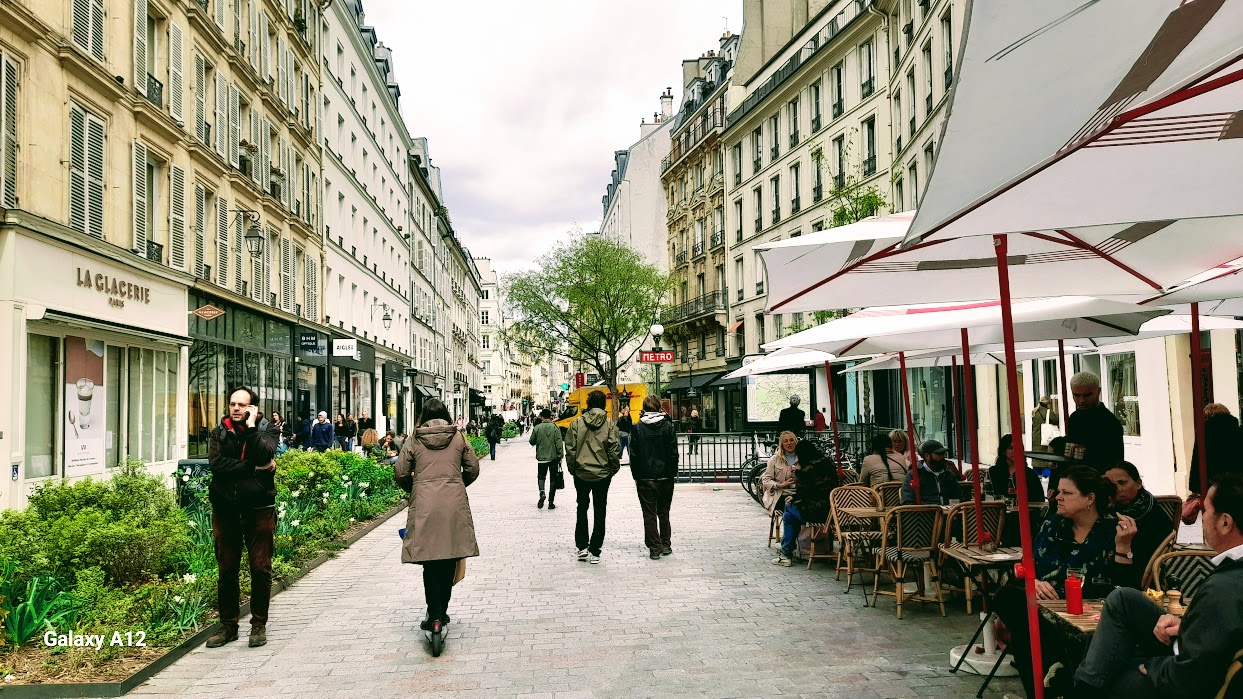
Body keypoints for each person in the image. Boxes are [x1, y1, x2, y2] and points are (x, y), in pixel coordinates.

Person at [1062, 473, 1243, 699]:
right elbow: (1223, 627)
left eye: (1205, 511)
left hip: (1186, 677)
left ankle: (1081, 691)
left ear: (1225, 522)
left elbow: (1192, 675)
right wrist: (1187, 624)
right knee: (1123, 600)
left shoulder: (1225, 587)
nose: (1201, 518)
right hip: (1193, 649)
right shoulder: (1230, 578)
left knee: (1108, 673)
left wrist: (1155, 666)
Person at [992, 467, 1126, 698]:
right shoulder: (1052, 525)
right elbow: (1030, 566)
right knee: (1009, 599)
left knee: (1027, 636)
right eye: (1058, 491)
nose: (1057, 497)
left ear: (1089, 499)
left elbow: (1125, 586)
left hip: (1089, 615)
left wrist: (1124, 548)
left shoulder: (1113, 530)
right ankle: (1057, 675)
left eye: (1067, 492)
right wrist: (1032, 582)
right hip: (1046, 612)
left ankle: (1051, 683)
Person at [395, 399, 480, 636]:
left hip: (424, 504)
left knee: (430, 562)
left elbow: (401, 472)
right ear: (446, 414)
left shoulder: (414, 439)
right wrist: (457, 484)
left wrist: (415, 488)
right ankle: (442, 612)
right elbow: (473, 468)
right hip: (453, 503)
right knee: (449, 558)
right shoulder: (458, 437)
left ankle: (433, 614)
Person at [205, 387, 280, 649]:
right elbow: (217, 465)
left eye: (242, 405)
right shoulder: (218, 432)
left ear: (252, 408)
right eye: (232, 404)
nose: (236, 408)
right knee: (227, 570)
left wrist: (251, 429)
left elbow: (264, 454)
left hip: (259, 508)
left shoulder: (268, 430)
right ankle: (228, 627)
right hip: (225, 509)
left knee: (260, 568)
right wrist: (252, 468)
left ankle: (258, 625)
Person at [565, 390, 621, 564]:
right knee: (600, 510)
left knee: (582, 507)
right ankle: (595, 550)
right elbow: (613, 449)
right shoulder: (610, 424)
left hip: (581, 472)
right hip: (603, 474)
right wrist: (613, 468)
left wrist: (572, 468)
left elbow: (570, 449)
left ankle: (582, 546)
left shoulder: (576, 423)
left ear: (588, 403)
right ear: (604, 403)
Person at [1103, 461, 1174, 589]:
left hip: (1138, 579)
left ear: (1138, 484)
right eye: (1111, 485)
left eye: (1122, 483)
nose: (1118, 489)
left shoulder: (1151, 513)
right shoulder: (1106, 509)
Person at [775, 440, 839, 567]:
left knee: (787, 508)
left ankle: (786, 553)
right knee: (789, 516)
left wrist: (793, 498)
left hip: (815, 512)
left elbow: (805, 493)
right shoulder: (827, 463)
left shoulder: (807, 471)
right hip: (831, 510)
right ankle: (786, 552)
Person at [629, 395, 678, 560]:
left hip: (645, 477)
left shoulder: (637, 428)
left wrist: (637, 476)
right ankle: (666, 544)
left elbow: (633, 455)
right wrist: (672, 473)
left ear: (644, 408)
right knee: (664, 512)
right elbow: (673, 454)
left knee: (649, 514)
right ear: (659, 408)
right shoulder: (668, 426)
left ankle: (654, 547)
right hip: (665, 477)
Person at [1065, 371, 1124, 470]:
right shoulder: (1075, 417)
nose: (1081, 400)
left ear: (1099, 391)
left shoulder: (1109, 422)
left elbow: (1114, 460)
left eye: (1087, 395)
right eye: (1076, 395)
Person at [1188, 403, 1242, 506]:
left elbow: (1197, 460)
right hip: (1236, 481)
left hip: (1212, 482)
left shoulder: (1204, 433)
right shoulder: (1237, 431)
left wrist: (1194, 488)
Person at [762, 431, 800, 564]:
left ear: (796, 441)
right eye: (786, 441)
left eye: (791, 440)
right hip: (780, 495)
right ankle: (803, 519)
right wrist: (779, 484)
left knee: (789, 515)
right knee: (790, 507)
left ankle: (786, 551)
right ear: (781, 444)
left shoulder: (803, 457)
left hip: (798, 495)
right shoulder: (775, 459)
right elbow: (765, 480)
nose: (789, 443)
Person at [901, 439, 960, 505]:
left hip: (950, 513)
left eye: (943, 454)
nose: (943, 457)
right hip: (925, 513)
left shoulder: (948, 474)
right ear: (927, 456)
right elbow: (907, 500)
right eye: (938, 454)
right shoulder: (914, 474)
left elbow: (958, 495)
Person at [529, 408, 565, 509]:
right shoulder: (555, 427)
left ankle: (542, 492)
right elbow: (559, 443)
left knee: (541, 477)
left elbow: (531, 441)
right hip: (553, 458)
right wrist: (560, 456)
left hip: (541, 458)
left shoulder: (537, 428)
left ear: (541, 417)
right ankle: (550, 502)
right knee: (553, 479)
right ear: (551, 417)